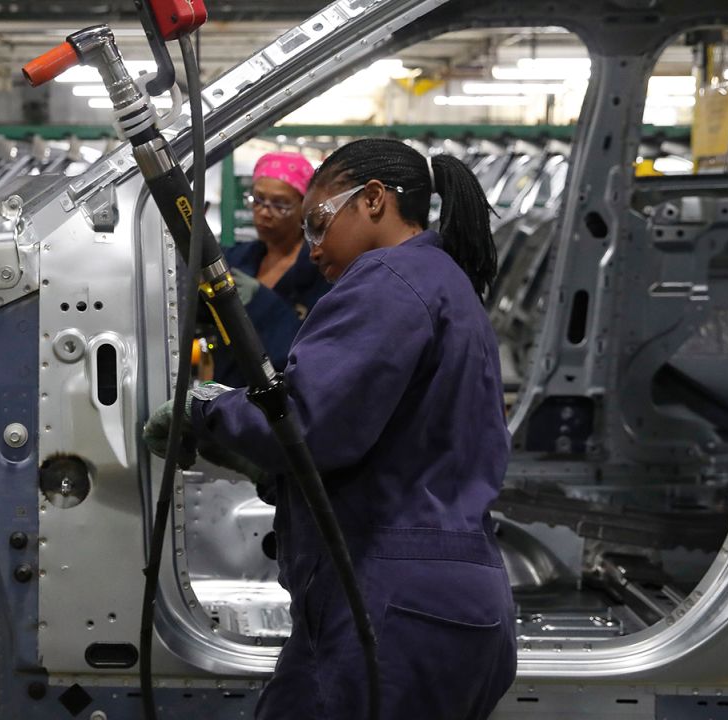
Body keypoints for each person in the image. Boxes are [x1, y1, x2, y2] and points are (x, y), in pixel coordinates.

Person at [146, 138, 517, 719]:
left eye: (317, 222)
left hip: (392, 607)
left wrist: (207, 409)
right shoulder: (441, 282)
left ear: (372, 200)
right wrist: (264, 464)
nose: (313, 248)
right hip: (445, 606)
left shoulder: (387, 283)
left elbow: (308, 423)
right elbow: (389, 443)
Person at [210, 151, 331, 387]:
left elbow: (309, 348)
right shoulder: (236, 258)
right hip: (228, 391)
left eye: (280, 204)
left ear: (304, 207)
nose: (265, 212)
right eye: (258, 200)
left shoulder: (320, 269)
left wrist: (262, 300)